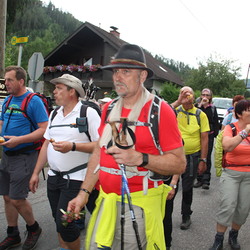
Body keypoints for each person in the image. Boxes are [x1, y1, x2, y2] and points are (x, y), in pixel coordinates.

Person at [67, 44, 186, 250]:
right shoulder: (110, 108)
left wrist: (142, 159)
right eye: (115, 71)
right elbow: (99, 152)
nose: (117, 77)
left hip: (139, 206)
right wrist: (83, 193)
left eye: (126, 71)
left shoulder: (160, 111)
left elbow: (179, 164)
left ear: (142, 77)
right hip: (106, 201)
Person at [29, 74, 101, 250]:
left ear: (72, 92)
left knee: (65, 224)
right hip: (54, 178)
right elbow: (46, 144)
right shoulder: (54, 113)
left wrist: (73, 146)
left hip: (77, 178)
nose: (54, 91)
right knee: (58, 221)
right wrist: (35, 172)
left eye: (59, 88)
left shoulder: (88, 113)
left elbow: (101, 145)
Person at [0, 66, 48, 250]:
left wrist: (19, 140)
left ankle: (34, 228)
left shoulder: (33, 101)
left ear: (21, 81)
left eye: (10, 80)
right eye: (5, 80)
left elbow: (44, 129)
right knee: (6, 196)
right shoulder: (8, 100)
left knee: (17, 198)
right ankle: (13, 234)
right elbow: (2, 123)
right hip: (7, 154)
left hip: (25, 156)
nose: (6, 83)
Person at [209, 99, 250, 250]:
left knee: (243, 209)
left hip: (249, 175)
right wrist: (245, 132)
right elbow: (227, 146)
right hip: (232, 173)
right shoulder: (230, 128)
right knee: (228, 205)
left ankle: (234, 235)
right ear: (239, 114)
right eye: (248, 109)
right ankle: (218, 239)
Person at [171, 86, 209, 230]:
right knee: (170, 185)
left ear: (195, 96)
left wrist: (203, 160)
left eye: (189, 93)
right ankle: (165, 214)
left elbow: (204, 138)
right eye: (183, 93)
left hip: (192, 156)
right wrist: (178, 101)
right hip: (173, 155)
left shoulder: (200, 114)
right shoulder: (174, 111)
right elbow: (160, 111)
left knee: (187, 187)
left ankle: (186, 215)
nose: (186, 96)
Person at [193, 88, 219, 190]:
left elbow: (215, 121)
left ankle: (206, 180)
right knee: (198, 156)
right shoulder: (196, 107)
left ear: (210, 97)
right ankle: (199, 178)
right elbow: (195, 117)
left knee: (206, 157)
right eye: (203, 95)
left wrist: (215, 134)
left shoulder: (212, 108)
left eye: (207, 95)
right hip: (197, 135)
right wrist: (200, 106)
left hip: (209, 135)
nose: (205, 97)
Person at [163, 175, 179, 250]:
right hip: (149, 183)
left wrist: (173, 183)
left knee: (166, 214)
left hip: (168, 182)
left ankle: (167, 243)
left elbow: (178, 164)